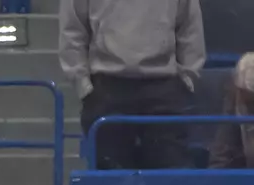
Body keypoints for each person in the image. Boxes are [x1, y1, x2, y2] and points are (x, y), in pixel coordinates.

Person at [61, 0, 204, 171]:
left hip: (163, 87)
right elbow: (72, 31)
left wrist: (186, 79)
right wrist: (83, 85)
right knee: (112, 184)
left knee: (170, 182)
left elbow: (190, 28)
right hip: (107, 88)